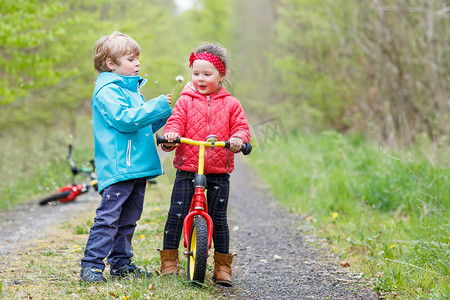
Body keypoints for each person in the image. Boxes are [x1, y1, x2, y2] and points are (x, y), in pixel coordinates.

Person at [80, 31, 172, 283]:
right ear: (111, 64)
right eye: (131, 59)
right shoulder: (108, 91)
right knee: (109, 217)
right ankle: (91, 265)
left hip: (136, 164)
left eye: (137, 59)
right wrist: (156, 105)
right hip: (120, 164)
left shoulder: (130, 89)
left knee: (129, 219)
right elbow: (125, 120)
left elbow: (140, 128)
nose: (138, 63)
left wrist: (162, 115)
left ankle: (121, 263)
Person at [158, 43, 251, 286]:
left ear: (221, 76)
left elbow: (241, 127)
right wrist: (170, 136)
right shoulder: (185, 101)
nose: (200, 79)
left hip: (219, 169)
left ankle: (222, 267)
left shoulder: (231, 104)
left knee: (219, 218)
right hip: (188, 167)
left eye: (207, 74)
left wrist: (238, 139)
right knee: (177, 213)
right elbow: (175, 122)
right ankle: (169, 261)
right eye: (196, 73)